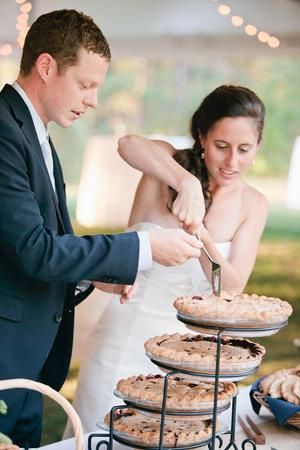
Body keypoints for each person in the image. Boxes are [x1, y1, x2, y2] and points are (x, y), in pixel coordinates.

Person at [0, 9, 203, 448]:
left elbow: (33, 246)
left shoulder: (36, 134)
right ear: (47, 66)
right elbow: (36, 249)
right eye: (86, 84)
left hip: (30, 363)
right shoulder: (2, 130)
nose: (93, 100)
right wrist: (141, 248)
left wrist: (94, 273)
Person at [64, 84, 268, 435]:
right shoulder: (165, 163)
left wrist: (200, 231)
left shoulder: (253, 203)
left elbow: (230, 287)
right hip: (122, 338)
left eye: (244, 149)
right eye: (221, 146)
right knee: (99, 436)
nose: (232, 162)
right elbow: (127, 145)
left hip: (189, 355)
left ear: (258, 147)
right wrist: (187, 184)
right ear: (202, 136)